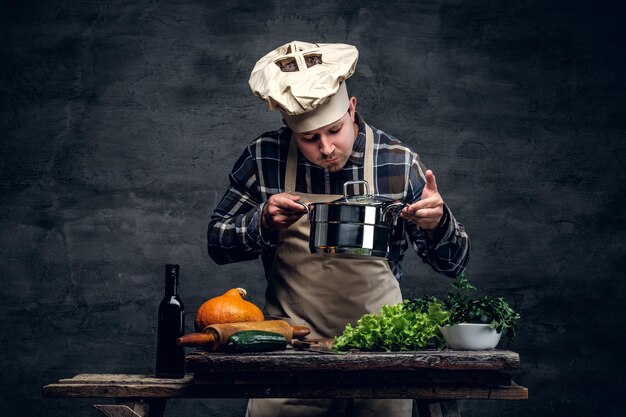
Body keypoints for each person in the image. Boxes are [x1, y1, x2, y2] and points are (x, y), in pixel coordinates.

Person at [207, 41, 470, 417]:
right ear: (288, 127)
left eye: (334, 130)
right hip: (289, 364)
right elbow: (217, 243)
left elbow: (454, 265)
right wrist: (261, 221)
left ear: (352, 108)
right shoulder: (264, 157)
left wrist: (437, 222)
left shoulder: (395, 162)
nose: (326, 148)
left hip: (382, 364)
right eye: (309, 138)